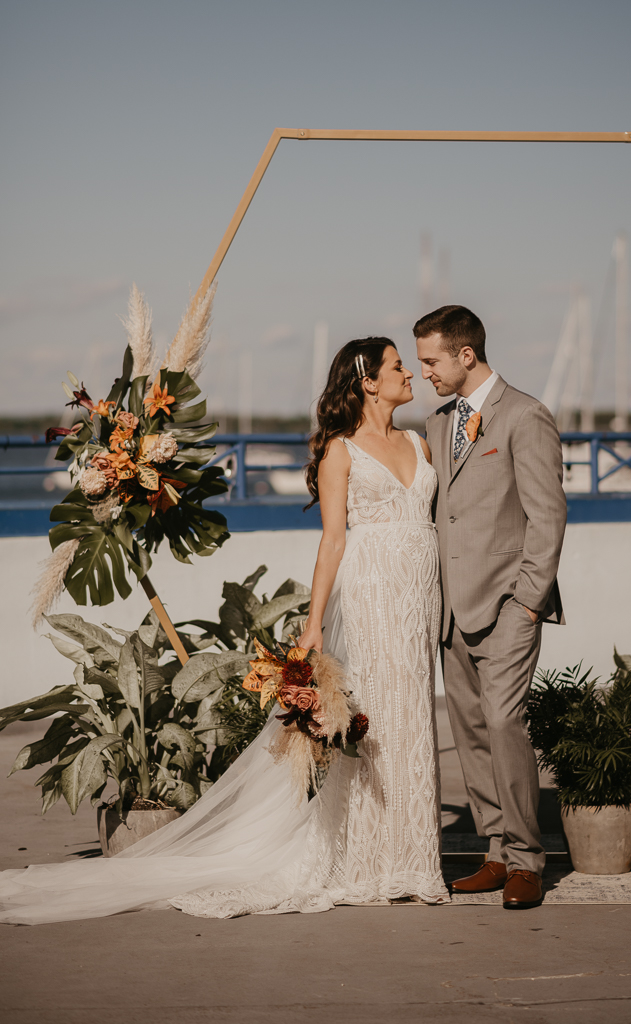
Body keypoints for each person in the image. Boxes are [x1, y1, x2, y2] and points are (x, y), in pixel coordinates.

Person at [0, 338, 448, 924]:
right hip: (370, 599)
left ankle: (414, 858)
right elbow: (333, 540)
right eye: (397, 366)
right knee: (372, 719)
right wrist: (313, 623)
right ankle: (368, 859)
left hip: (419, 601)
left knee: (413, 714)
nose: (408, 374)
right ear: (367, 381)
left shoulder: (418, 441)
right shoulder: (341, 451)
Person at [415, 305, 567, 909]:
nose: (424, 371)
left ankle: (530, 860)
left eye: (431, 360)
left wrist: (528, 603)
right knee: (472, 731)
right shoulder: (435, 424)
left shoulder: (526, 416)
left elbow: (547, 515)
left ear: (466, 355)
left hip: (508, 605)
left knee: (505, 724)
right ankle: (497, 853)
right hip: (451, 611)